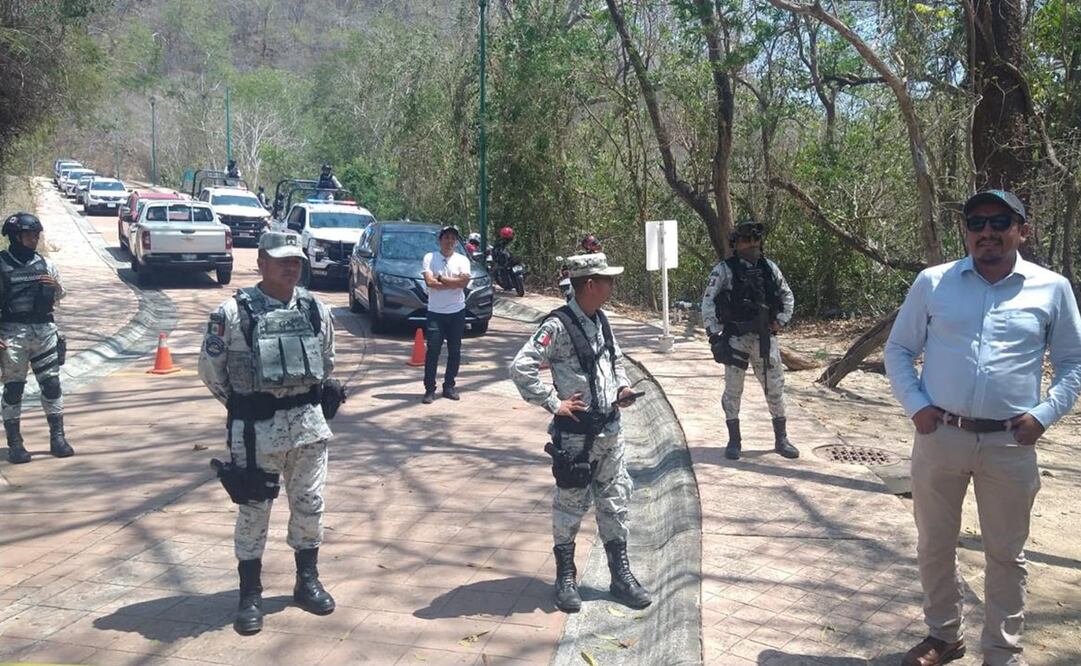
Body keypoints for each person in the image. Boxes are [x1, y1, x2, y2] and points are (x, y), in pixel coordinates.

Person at [885, 190, 1081, 666]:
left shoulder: (1051, 288)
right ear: (967, 231)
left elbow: (1074, 363)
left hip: (1010, 444)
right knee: (934, 543)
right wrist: (916, 406)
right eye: (977, 222)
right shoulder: (934, 282)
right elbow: (898, 350)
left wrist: (1044, 415)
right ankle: (943, 636)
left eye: (1000, 221)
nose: (987, 231)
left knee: (1006, 554)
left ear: (1022, 230)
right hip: (940, 438)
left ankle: (1001, 652)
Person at [198, 231, 340, 636]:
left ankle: (306, 581)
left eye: (296, 259)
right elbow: (211, 372)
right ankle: (250, 594)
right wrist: (246, 406)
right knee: (253, 512)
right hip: (255, 434)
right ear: (261, 262)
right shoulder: (231, 314)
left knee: (310, 505)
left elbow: (327, 360)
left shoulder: (316, 309)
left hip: (309, 430)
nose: (290, 266)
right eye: (281, 259)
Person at [510, 253, 651, 614]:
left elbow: (615, 361)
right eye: (607, 279)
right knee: (570, 507)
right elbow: (521, 367)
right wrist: (552, 402)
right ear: (589, 284)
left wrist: (622, 390)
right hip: (575, 439)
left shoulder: (602, 319)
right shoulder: (556, 326)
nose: (611, 285)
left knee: (615, 502)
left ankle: (620, 575)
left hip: (610, 433)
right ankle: (566, 577)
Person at [701, 220, 797, 460]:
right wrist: (714, 335)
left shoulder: (770, 268)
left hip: (765, 338)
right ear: (736, 244)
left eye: (755, 240)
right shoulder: (724, 270)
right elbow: (708, 301)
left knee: (775, 387)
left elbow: (787, 295)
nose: (751, 245)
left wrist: (781, 320)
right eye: (746, 240)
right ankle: (734, 440)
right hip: (737, 339)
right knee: (733, 391)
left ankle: (781, 438)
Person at [0, 213, 73, 464]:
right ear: (16, 236)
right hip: (12, 335)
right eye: (30, 235)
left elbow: (61, 294)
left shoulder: (46, 264)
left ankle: (58, 437)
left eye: (36, 235)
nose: (34, 239)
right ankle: (15, 443)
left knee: (52, 385)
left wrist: (55, 286)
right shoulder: (2, 264)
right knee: (14, 389)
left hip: (44, 333)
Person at [420, 225, 472, 404]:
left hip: (456, 311)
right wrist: (453, 282)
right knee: (433, 350)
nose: (449, 241)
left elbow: (464, 283)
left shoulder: (462, 260)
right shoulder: (430, 257)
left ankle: (449, 386)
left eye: (453, 238)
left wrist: (441, 278)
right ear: (440, 239)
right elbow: (429, 282)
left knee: (455, 350)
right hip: (435, 312)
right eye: (446, 237)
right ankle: (429, 389)